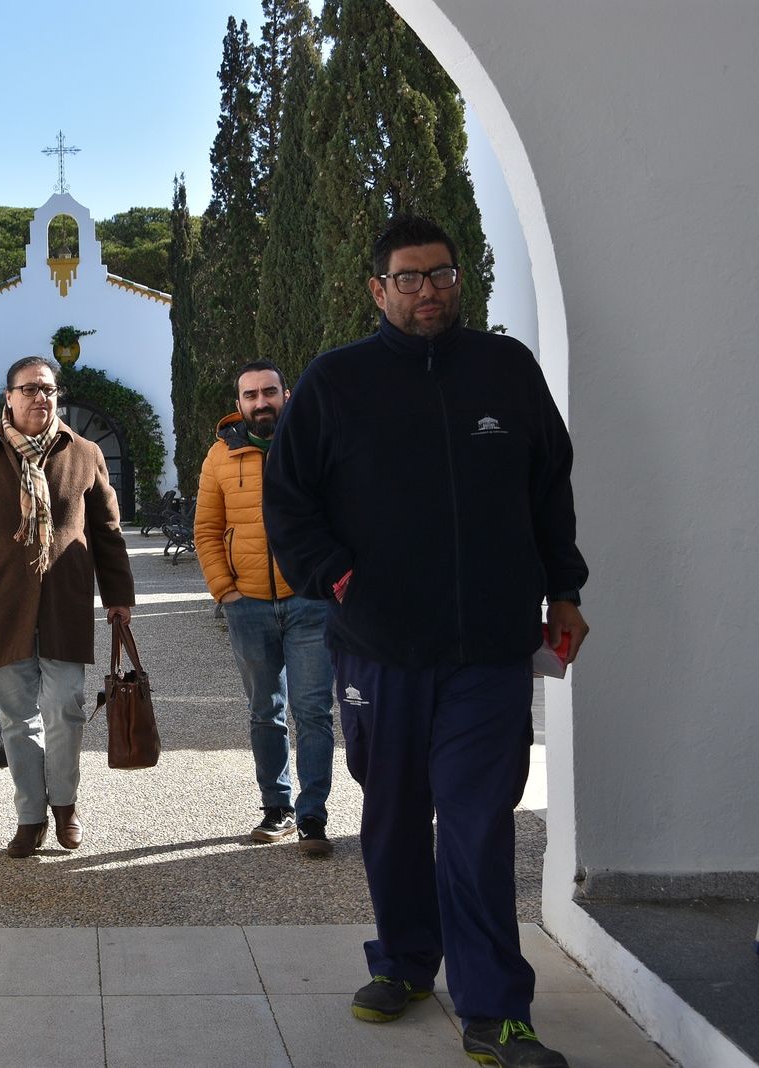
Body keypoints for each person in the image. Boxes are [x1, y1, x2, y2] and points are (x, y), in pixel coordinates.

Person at [263, 216, 589, 1068]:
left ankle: (495, 1011)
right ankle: (406, 961)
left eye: (440, 274)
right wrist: (336, 576)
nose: (428, 290)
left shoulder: (506, 370)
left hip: (488, 646)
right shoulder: (336, 382)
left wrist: (565, 588)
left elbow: (550, 486)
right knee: (396, 815)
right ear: (378, 290)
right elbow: (288, 503)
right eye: (408, 278)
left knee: (480, 821)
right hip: (379, 646)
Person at [0, 355, 135, 858]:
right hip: (3, 606)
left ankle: (65, 806)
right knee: (16, 719)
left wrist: (118, 598)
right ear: (9, 397)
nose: (39, 398)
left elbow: (107, 535)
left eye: (47, 389)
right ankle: (30, 815)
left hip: (65, 606)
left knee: (66, 710)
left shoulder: (84, 453)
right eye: (27, 389)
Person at [194, 360, 335, 856]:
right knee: (264, 711)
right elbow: (206, 530)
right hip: (248, 604)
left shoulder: (314, 445)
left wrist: (332, 581)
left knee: (314, 710)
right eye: (250, 395)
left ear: (287, 395)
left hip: (310, 603)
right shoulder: (219, 457)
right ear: (239, 405)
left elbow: (341, 519)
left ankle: (313, 813)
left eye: (269, 392)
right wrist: (224, 590)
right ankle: (276, 806)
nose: (261, 402)